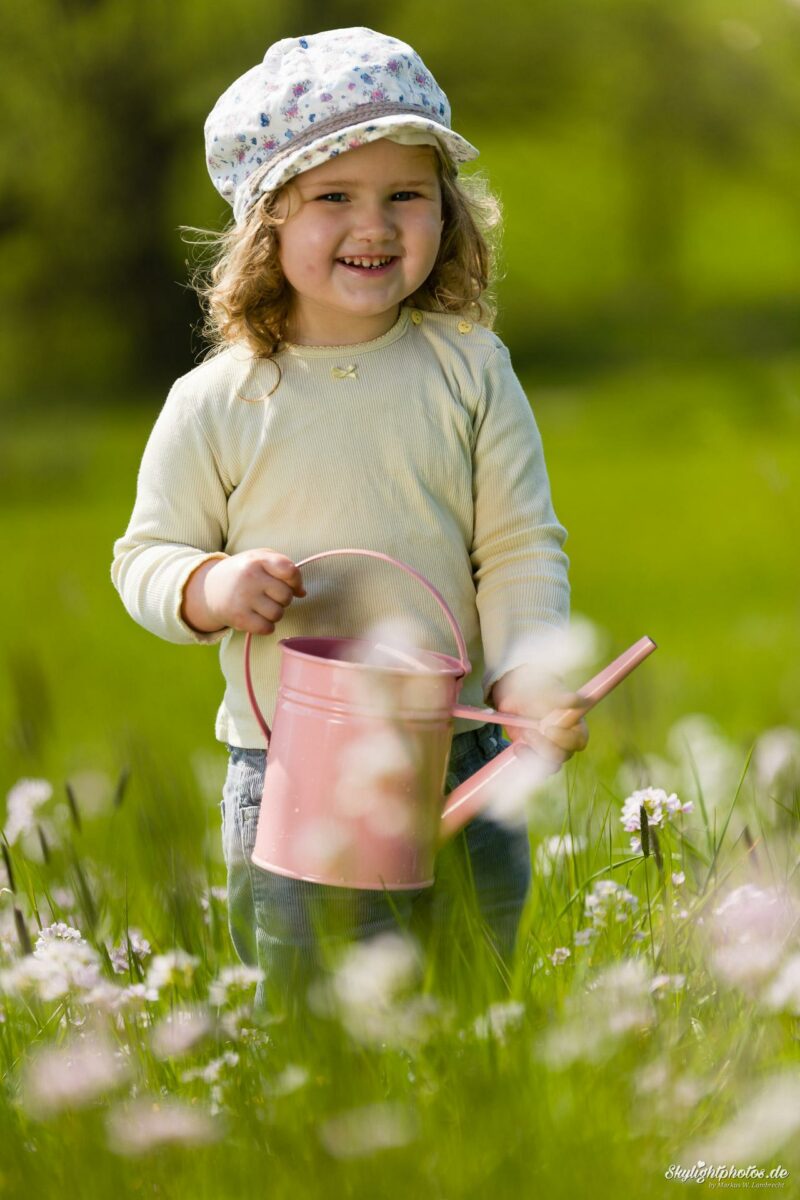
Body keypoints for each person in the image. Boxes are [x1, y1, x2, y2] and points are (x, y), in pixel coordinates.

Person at [111, 27, 589, 1015]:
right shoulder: (220, 400)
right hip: (295, 760)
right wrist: (211, 587)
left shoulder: (468, 368)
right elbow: (146, 555)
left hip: (459, 746)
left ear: (445, 213)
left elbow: (514, 546)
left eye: (404, 194)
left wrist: (530, 675)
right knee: (314, 1022)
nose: (373, 225)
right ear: (265, 223)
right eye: (333, 196)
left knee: (472, 1003)